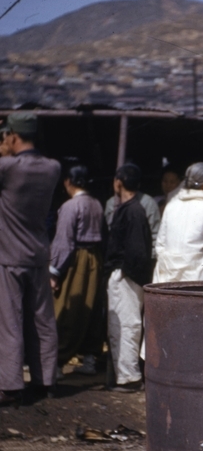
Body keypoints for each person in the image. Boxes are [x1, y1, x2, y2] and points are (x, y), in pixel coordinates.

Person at [0, 112, 60, 405]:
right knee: (43, 321)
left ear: (12, 136)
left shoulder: (8, 167)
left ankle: (11, 386)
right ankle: (46, 380)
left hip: (9, 256)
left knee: (10, 322)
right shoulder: (52, 168)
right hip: (39, 253)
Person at [49, 164, 104, 377]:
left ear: (68, 182)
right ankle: (89, 358)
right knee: (90, 307)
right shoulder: (96, 204)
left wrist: (54, 271)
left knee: (68, 308)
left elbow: (64, 242)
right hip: (94, 259)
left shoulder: (71, 206)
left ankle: (56, 363)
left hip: (76, 259)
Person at [105, 163, 152, 392]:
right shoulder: (133, 209)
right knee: (124, 325)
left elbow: (136, 251)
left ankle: (129, 377)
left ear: (118, 182)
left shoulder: (132, 211)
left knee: (125, 325)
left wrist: (126, 272)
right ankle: (126, 375)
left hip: (127, 275)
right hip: (128, 274)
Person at [104, 176, 160, 255]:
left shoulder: (148, 203)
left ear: (117, 184)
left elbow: (155, 235)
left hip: (141, 257)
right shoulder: (111, 203)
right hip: (117, 257)